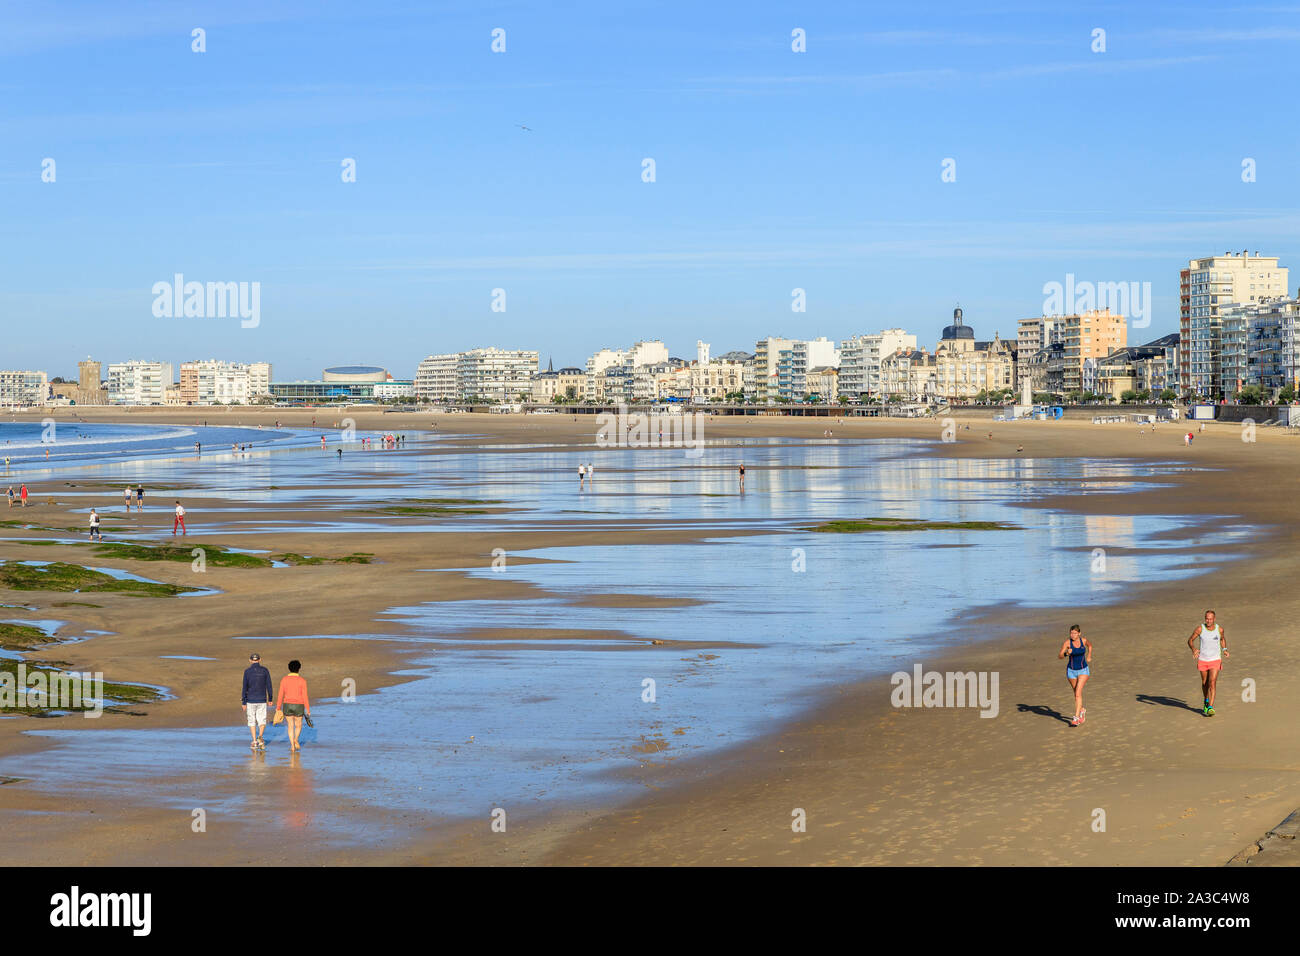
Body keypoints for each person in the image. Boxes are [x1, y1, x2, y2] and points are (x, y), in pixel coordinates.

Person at [1188, 610, 1228, 717]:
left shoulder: (1219, 629)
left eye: (1210, 619)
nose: (1208, 621)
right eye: (1206, 618)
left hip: (1215, 660)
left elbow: (1222, 639)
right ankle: (1206, 700)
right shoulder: (1200, 629)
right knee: (1205, 683)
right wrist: (1193, 649)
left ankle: (1210, 707)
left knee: (1212, 682)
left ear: (1214, 619)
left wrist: (1224, 649)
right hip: (1203, 660)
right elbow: (1190, 640)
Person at [1057, 625, 1091, 726]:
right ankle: (1082, 710)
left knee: (1077, 693)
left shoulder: (1083, 641)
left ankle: (1076, 718)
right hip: (1071, 671)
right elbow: (1060, 656)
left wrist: (1089, 656)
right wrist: (1067, 653)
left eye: (1075, 633)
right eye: (1071, 633)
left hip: (1083, 670)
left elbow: (1090, 646)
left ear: (1079, 633)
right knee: (1076, 693)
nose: (1073, 635)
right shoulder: (1067, 643)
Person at [274, 659, 310, 752]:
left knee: (290, 726)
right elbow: (305, 695)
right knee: (298, 725)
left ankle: (292, 746)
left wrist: (278, 707)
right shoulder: (302, 680)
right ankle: (296, 739)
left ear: (289, 668)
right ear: (299, 668)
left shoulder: (284, 679)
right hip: (299, 705)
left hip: (287, 705)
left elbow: (280, 694)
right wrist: (308, 709)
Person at [241, 653, 273, 751]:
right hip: (262, 699)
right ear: (259, 660)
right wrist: (270, 699)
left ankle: (254, 741)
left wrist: (243, 701)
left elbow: (244, 687)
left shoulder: (247, 671)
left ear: (250, 660)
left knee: (251, 721)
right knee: (262, 719)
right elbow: (269, 686)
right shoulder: (265, 670)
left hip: (250, 700)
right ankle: (260, 737)